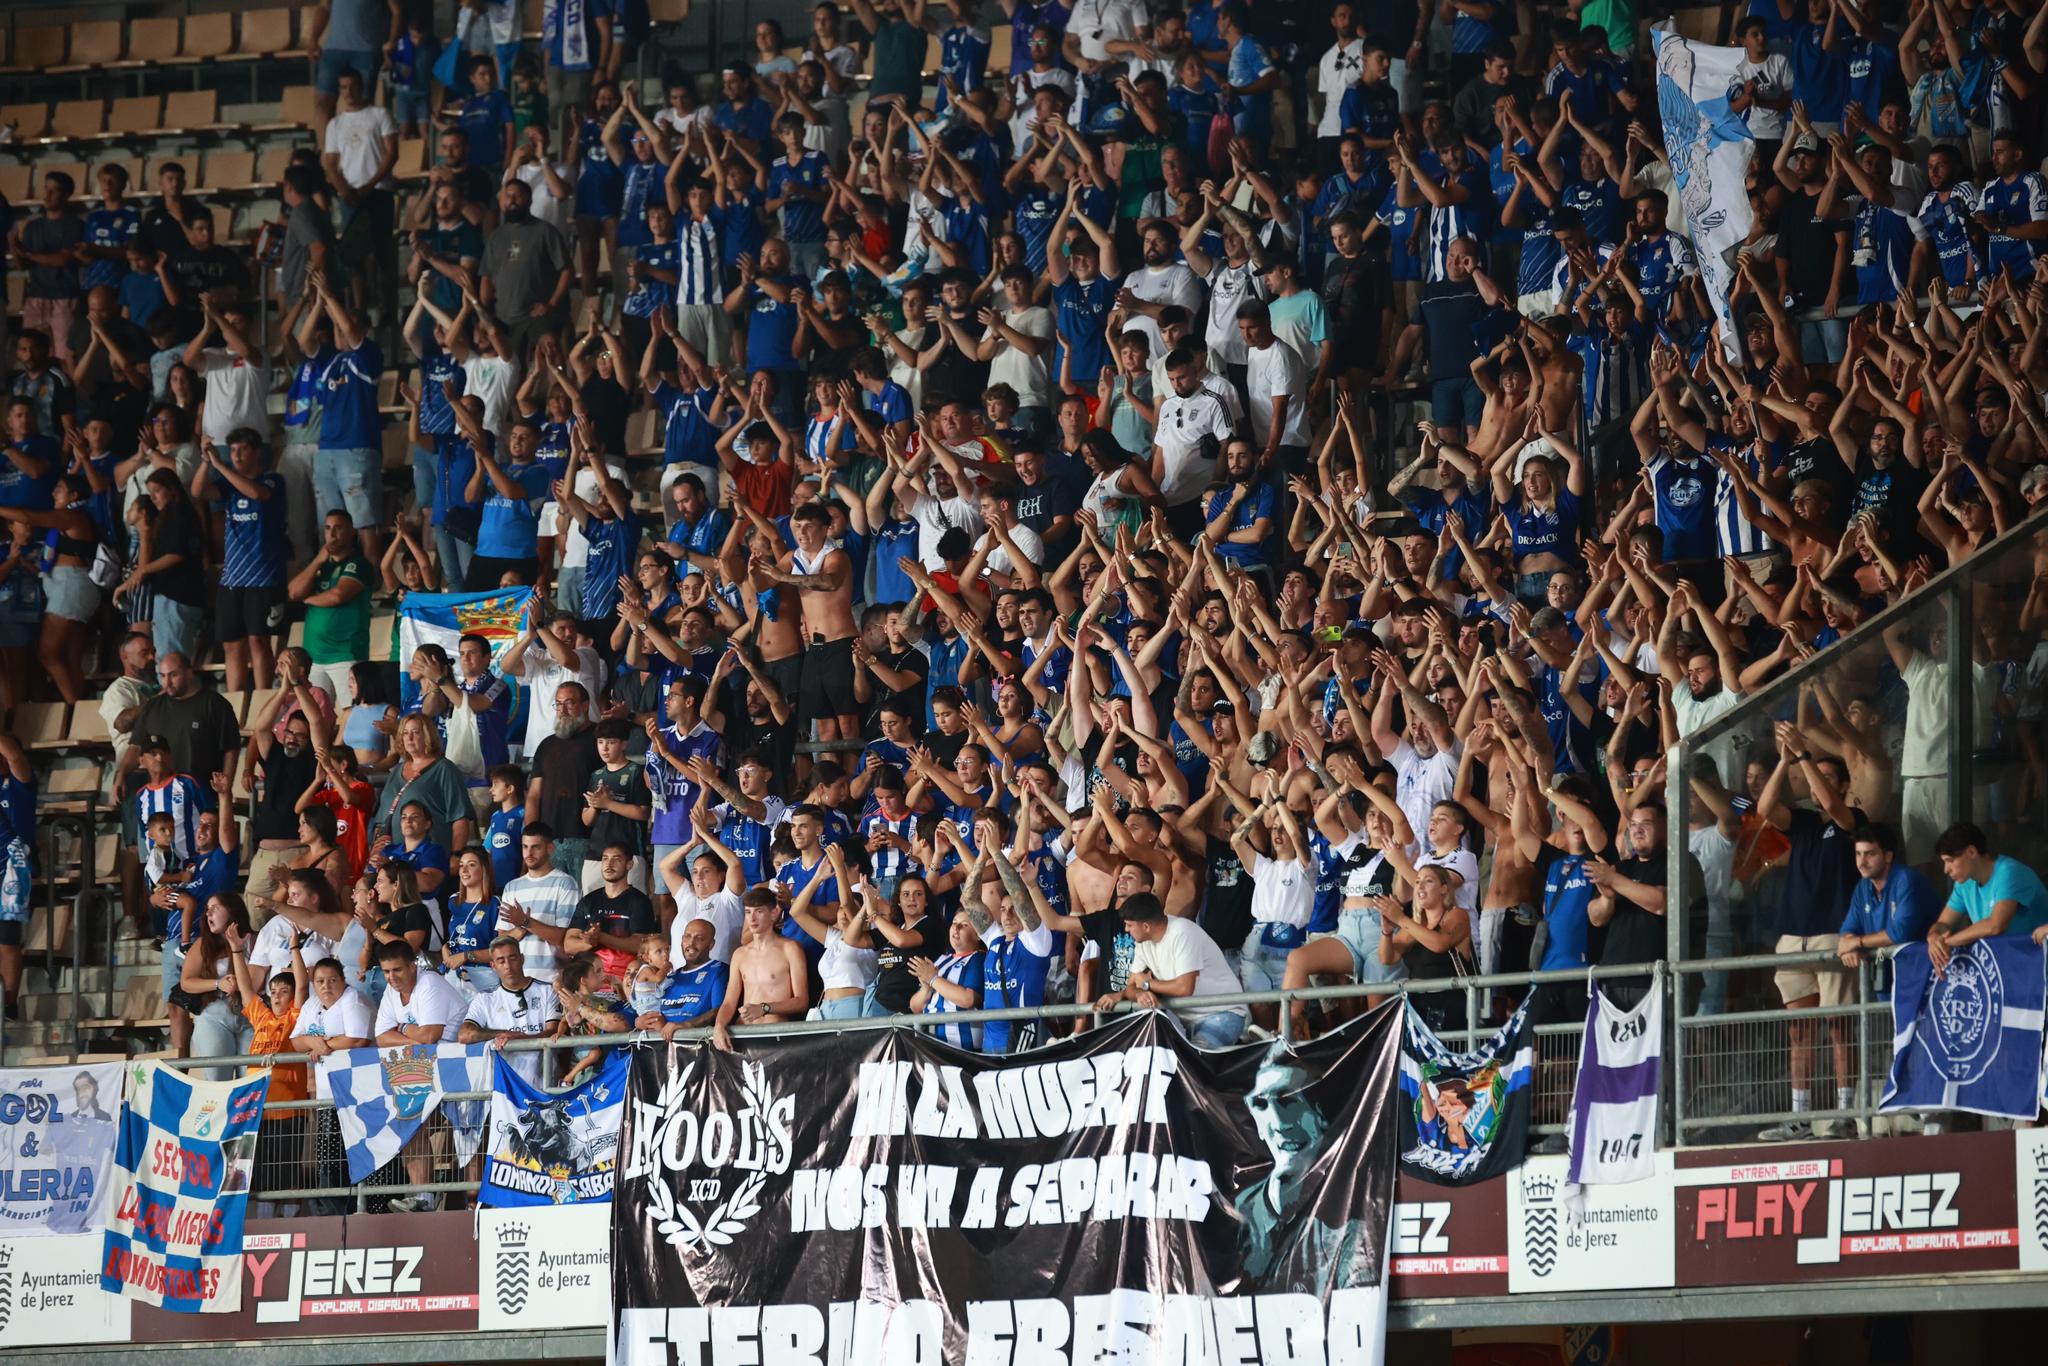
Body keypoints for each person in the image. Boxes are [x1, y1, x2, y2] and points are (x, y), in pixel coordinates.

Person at [1091, 891, 1247, 1047]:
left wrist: (1147, 984)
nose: (1126, 929)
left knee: (1196, 1060)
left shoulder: (1182, 932)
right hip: (1189, 1022)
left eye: (1129, 925)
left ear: (1146, 926)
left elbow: (1185, 988)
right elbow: (1132, 984)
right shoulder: (1142, 942)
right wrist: (1138, 994)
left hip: (1224, 1013)